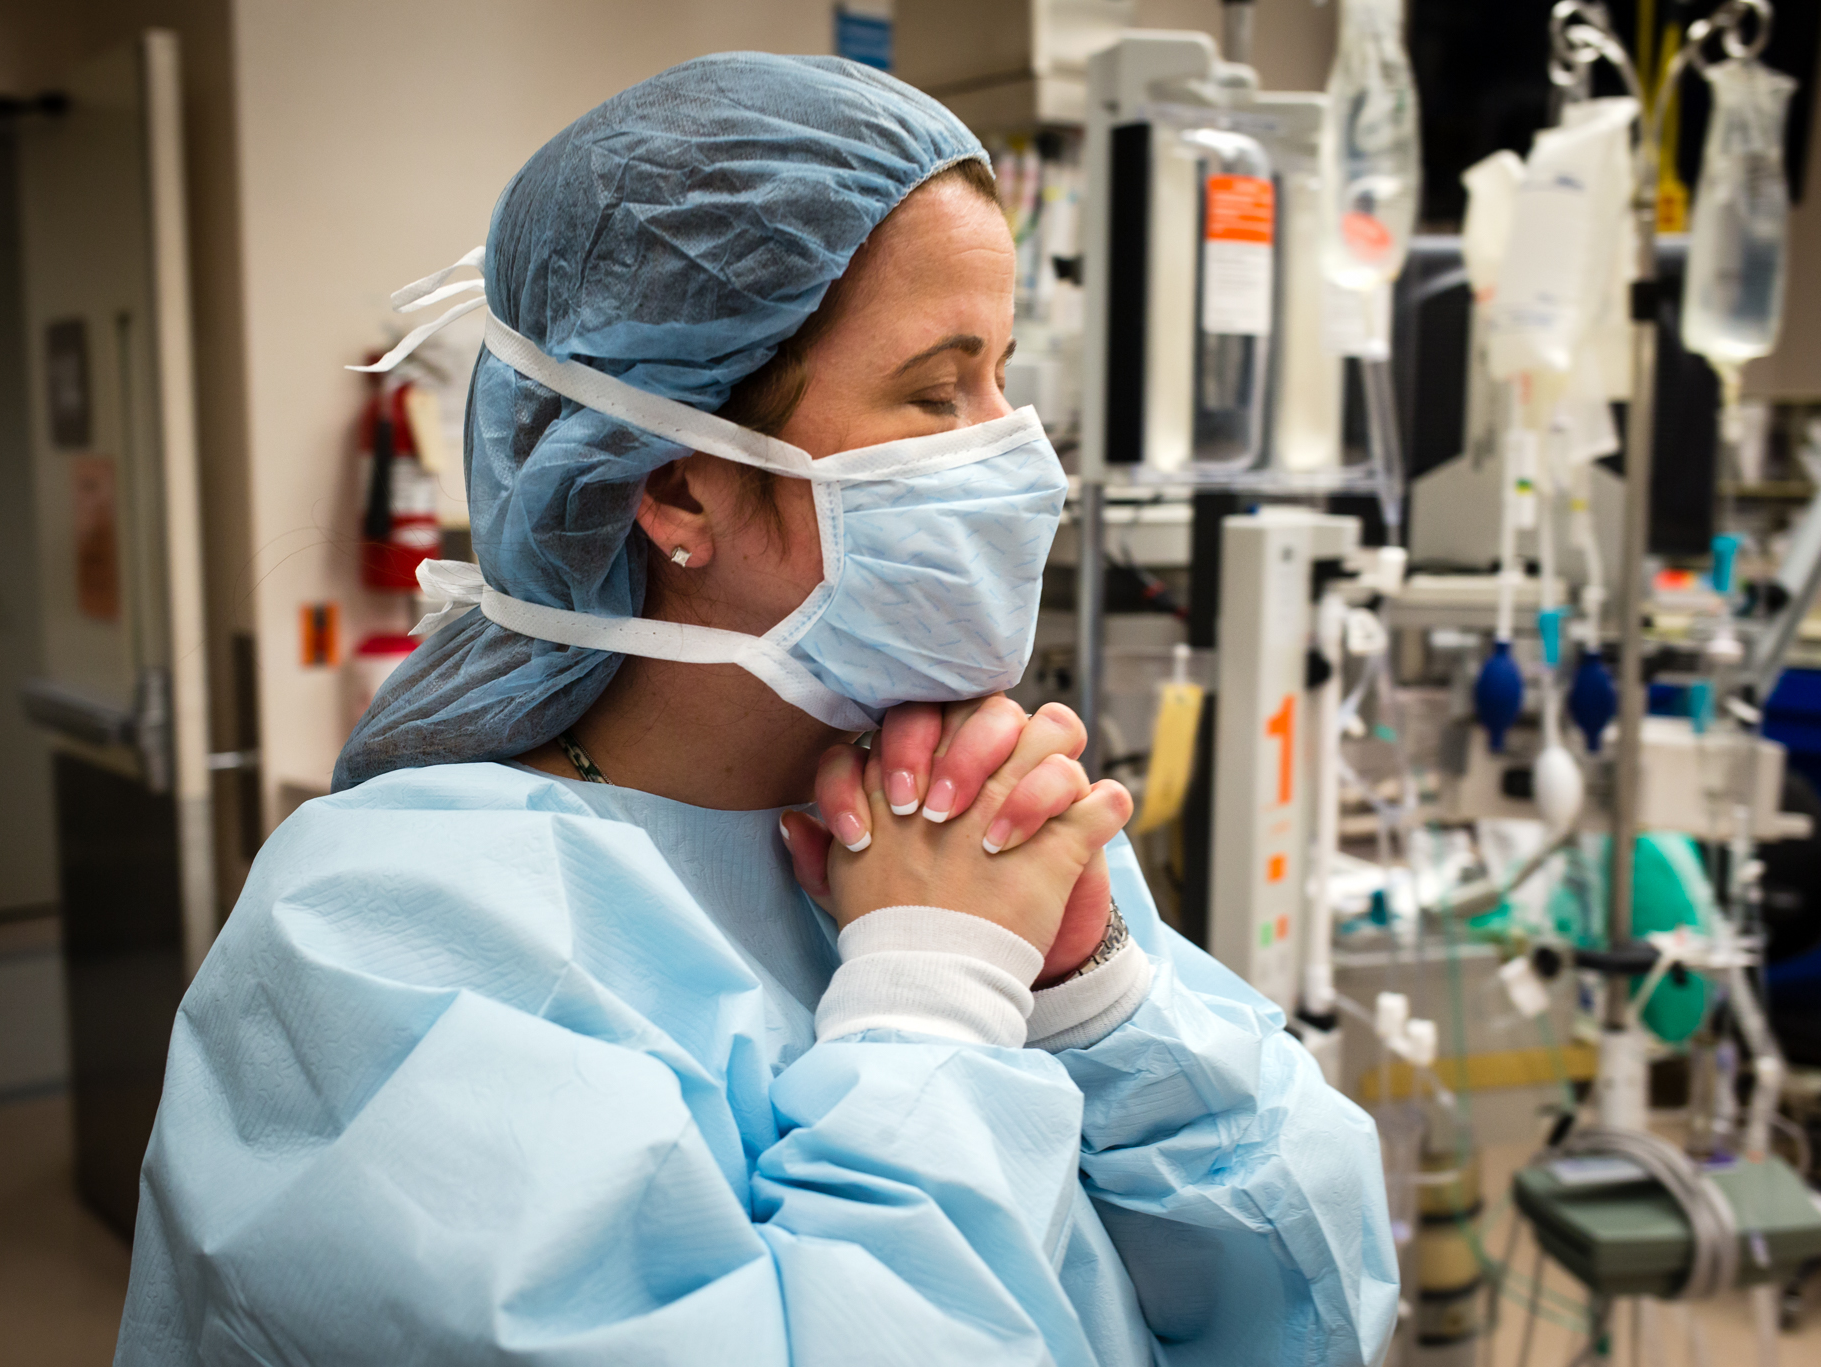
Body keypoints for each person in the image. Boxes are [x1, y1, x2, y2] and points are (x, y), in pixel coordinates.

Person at [115, 53, 1397, 1365]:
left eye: (1005, 380)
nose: (1016, 458)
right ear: (677, 490)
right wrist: (931, 1010)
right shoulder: (387, 943)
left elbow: (1311, 1306)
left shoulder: (956, 832)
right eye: (935, 392)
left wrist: (1095, 1008)